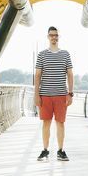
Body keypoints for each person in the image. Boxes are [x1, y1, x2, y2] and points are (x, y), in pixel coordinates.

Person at [33, 26, 73, 161]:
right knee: (46, 123)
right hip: (45, 95)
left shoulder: (65, 54)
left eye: (56, 35)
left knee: (60, 123)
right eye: (51, 35)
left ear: (59, 37)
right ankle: (45, 150)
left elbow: (70, 74)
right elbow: (38, 75)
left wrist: (70, 93)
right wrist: (36, 94)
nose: (54, 37)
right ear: (48, 37)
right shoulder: (42, 55)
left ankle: (61, 151)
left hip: (61, 94)